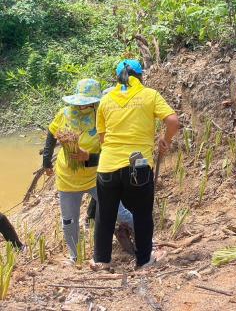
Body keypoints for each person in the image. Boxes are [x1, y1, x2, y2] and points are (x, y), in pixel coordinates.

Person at [91, 59, 179, 270]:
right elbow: (173, 122)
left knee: (105, 213)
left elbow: (102, 138)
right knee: (142, 213)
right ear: (141, 77)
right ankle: (143, 260)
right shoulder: (150, 95)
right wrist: (166, 140)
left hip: (108, 165)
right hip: (138, 166)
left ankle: (101, 260)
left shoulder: (106, 100)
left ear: (117, 77)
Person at [43, 78, 135, 263]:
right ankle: (74, 257)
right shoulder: (64, 114)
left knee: (121, 212)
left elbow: (114, 152)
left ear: (96, 102)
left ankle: (147, 238)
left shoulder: (104, 118)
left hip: (96, 177)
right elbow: (51, 135)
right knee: (69, 221)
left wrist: (89, 157)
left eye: (88, 103)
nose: (83, 107)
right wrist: (46, 161)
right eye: (80, 103)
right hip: (68, 179)